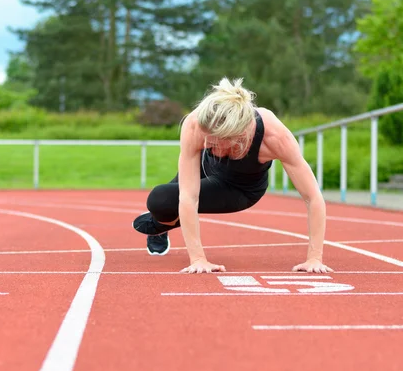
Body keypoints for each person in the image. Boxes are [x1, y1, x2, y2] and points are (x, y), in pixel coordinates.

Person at [132, 77, 331, 274]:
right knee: (160, 199)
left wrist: (314, 258)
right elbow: (188, 196)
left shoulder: (274, 137)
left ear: (239, 136)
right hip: (206, 168)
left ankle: (158, 225)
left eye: (215, 145)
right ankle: (163, 223)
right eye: (206, 142)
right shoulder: (195, 125)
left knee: (161, 208)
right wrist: (198, 259)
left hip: (240, 190)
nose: (208, 146)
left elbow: (313, 197)